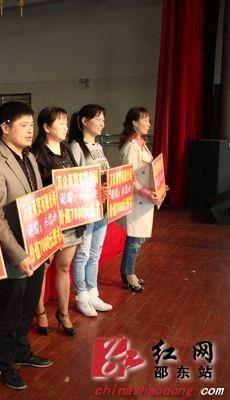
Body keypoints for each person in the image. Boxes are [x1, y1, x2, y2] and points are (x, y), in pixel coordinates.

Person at [0, 101, 53, 391]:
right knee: (8, 312)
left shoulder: (29, 157)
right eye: (23, 125)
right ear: (5, 128)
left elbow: (37, 203)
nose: (30, 131)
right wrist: (19, 255)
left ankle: (22, 351)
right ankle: (4, 364)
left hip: (36, 248)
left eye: (31, 125)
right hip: (13, 254)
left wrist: (46, 242)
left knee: (27, 308)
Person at [31, 106, 81, 337]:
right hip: (48, 220)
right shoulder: (34, 154)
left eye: (66, 122)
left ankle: (63, 313)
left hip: (70, 218)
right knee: (43, 268)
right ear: (46, 127)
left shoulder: (67, 149)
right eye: (60, 123)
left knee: (63, 267)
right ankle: (40, 311)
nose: (65, 127)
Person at [68, 104, 113, 316]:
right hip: (86, 209)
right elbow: (74, 180)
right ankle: (81, 296)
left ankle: (93, 292)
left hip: (102, 208)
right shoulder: (76, 147)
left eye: (103, 119)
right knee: (83, 253)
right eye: (98, 119)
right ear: (85, 121)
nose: (102, 123)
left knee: (95, 252)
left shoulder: (98, 146)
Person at [118, 107, 164, 292]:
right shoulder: (131, 146)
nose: (148, 124)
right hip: (136, 199)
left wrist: (159, 185)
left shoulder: (141, 144)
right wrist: (145, 192)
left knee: (139, 238)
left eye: (149, 120)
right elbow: (128, 175)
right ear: (134, 123)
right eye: (145, 120)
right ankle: (128, 274)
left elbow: (147, 171)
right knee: (135, 239)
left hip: (144, 199)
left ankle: (128, 271)